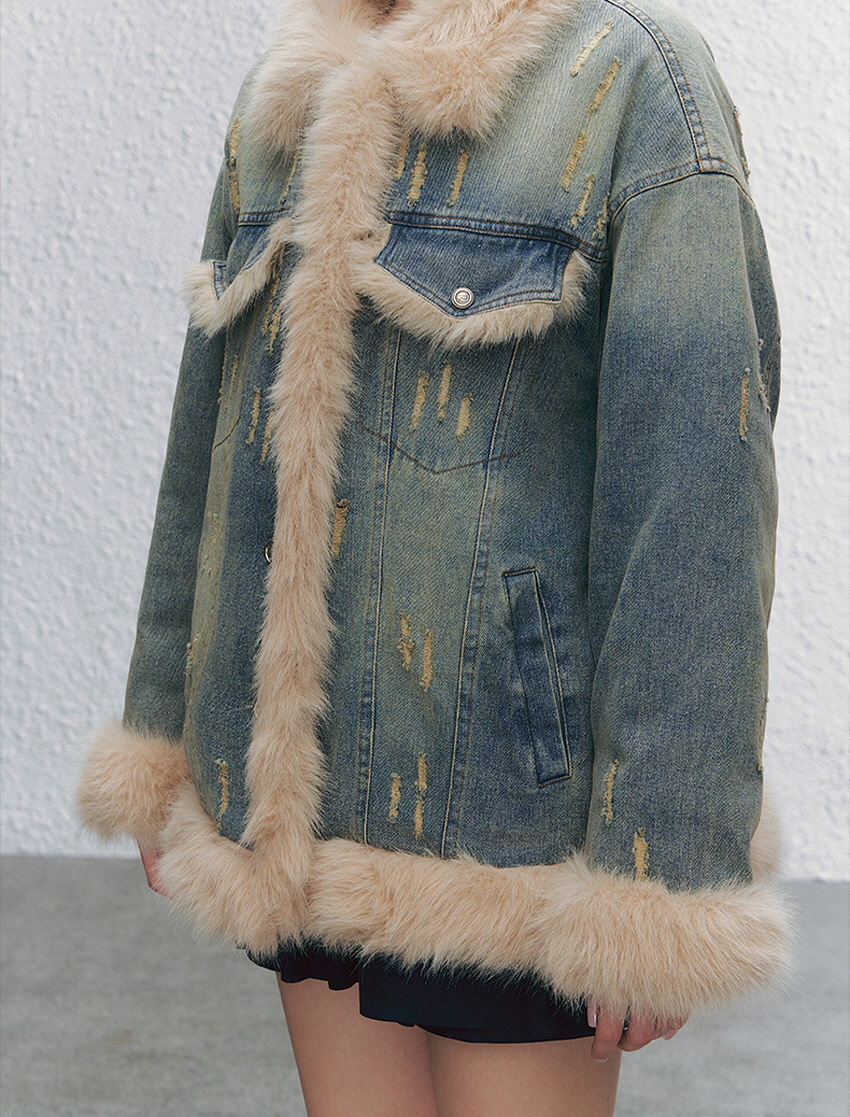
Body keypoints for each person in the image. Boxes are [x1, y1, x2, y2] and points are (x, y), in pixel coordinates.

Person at [78, 1, 790, 1113]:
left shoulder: (631, 82)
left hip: (507, 830)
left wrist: (665, 859)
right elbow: (205, 452)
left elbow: (696, 497)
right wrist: (165, 731)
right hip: (298, 824)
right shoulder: (289, 92)